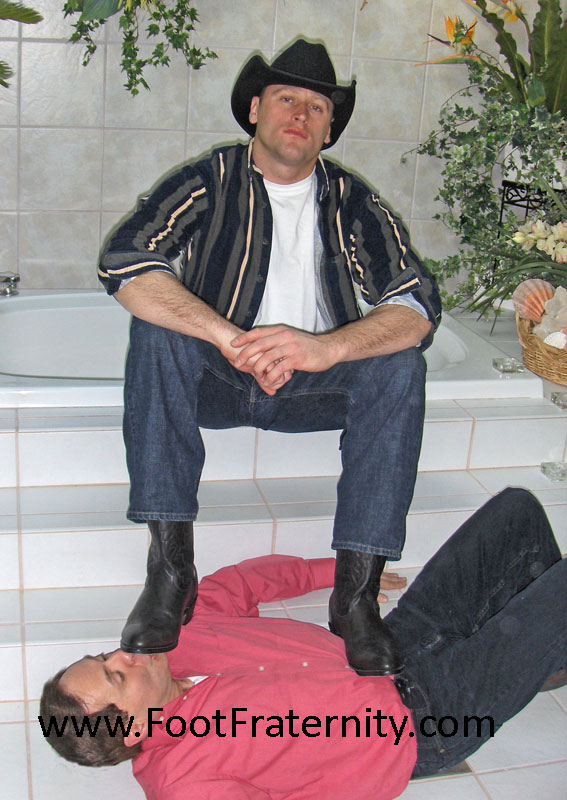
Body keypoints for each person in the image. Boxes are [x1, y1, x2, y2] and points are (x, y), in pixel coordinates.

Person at [98, 36, 442, 675]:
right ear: (254, 109)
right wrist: (229, 338)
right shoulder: (210, 179)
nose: (301, 115)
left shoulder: (353, 201)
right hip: (219, 378)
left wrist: (325, 348)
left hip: (314, 387)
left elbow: (417, 304)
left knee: (401, 364)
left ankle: (356, 597)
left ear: (329, 129)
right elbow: (125, 261)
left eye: (318, 107)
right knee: (156, 332)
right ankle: (171, 572)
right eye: (287, 99)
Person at [40, 489, 566, 800]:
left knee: (516, 512)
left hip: (385, 644)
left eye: (103, 656)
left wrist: (335, 575)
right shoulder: (184, 778)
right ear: (133, 727)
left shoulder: (180, 638)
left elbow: (241, 583)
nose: (124, 653)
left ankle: (547, 659)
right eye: (116, 674)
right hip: (425, 723)